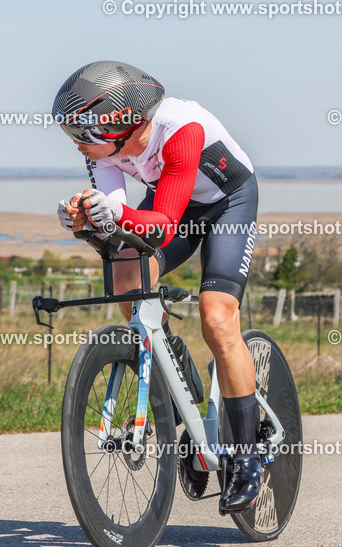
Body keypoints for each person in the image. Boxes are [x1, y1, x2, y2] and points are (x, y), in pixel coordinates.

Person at [52, 60, 262, 515]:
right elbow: (118, 219)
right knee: (128, 276)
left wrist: (114, 217)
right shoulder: (103, 149)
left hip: (226, 205)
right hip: (175, 202)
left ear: (121, 121)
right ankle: (180, 393)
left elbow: (163, 225)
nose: (77, 143)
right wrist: (86, 222)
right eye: (71, 133)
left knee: (217, 318)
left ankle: (247, 458)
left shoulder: (181, 129)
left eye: (83, 132)